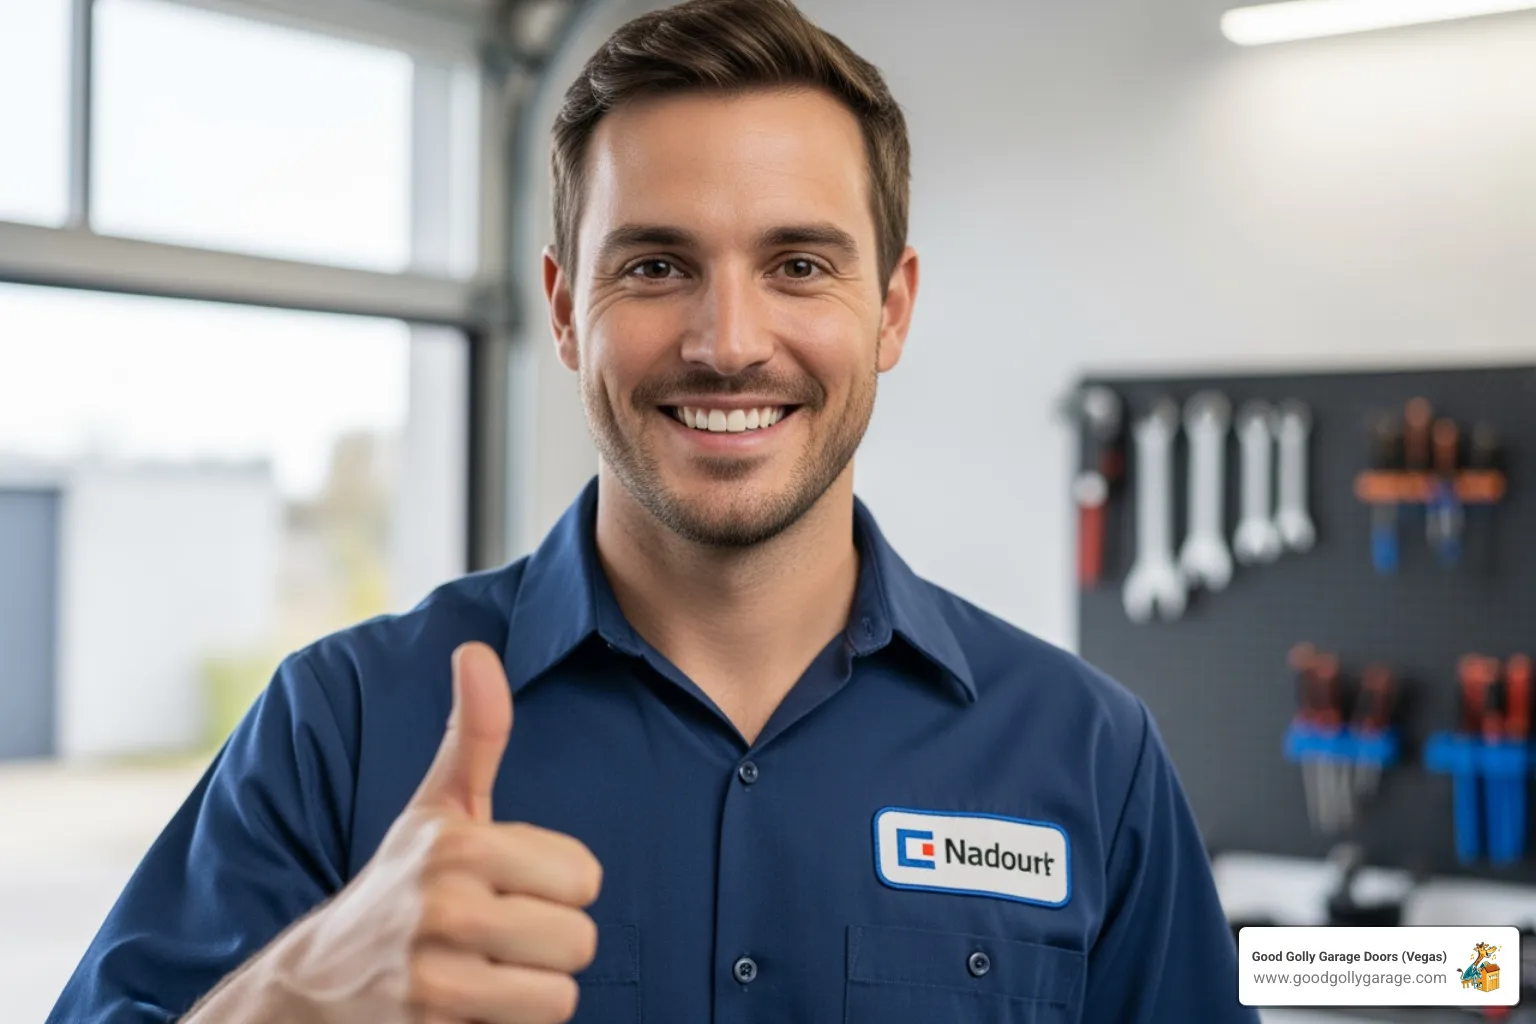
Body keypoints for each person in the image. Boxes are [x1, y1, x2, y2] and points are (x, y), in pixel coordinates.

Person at [49, 1, 1258, 1021]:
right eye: (655, 265)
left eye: (797, 265)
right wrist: (291, 1000)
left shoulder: (1087, 757)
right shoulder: (344, 727)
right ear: (566, 310)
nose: (728, 343)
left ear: (891, 308)